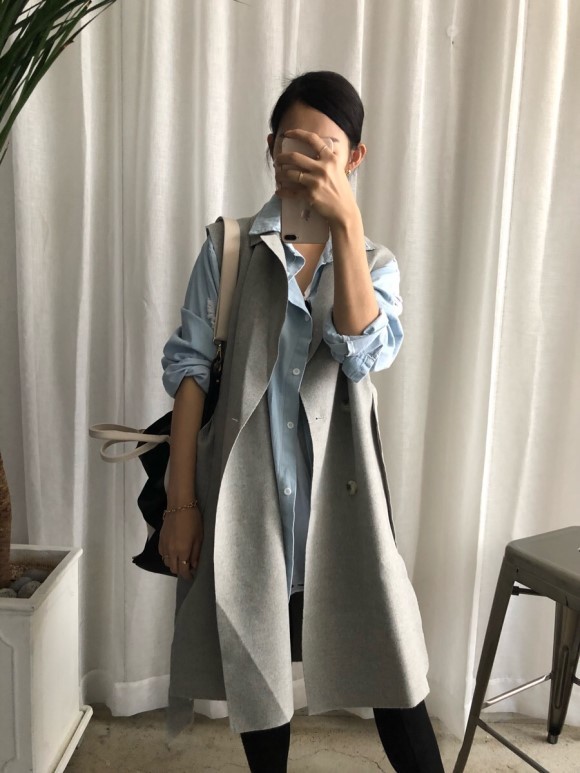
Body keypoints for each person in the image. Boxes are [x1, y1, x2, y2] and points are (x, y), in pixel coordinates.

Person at [159, 71, 445, 773]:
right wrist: (181, 505)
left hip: (342, 515)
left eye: (327, 148)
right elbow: (191, 373)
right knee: (260, 686)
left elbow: (361, 352)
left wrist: (345, 225)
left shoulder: (374, 263)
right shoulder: (229, 248)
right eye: (295, 143)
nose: (309, 160)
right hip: (247, 509)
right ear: (271, 148)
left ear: (355, 157)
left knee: (396, 676)